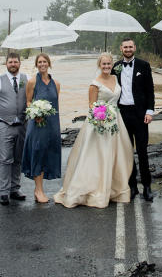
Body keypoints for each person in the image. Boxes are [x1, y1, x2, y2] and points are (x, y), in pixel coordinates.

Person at [54, 53, 134, 208]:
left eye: (108, 64)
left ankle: (112, 188)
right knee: (99, 155)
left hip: (116, 121)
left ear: (112, 65)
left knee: (117, 154)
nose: (106, 67)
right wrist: (102, 115)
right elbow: (91, 105)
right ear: (99, 65)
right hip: (99, 122)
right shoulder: (94, 84)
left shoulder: (115, 79)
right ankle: (94, 189)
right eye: (103, 64)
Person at [115, 38, 156, 201]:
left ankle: (147, 186)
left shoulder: (144, 65)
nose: (128, 49)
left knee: (142, 151)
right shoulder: (115, 67)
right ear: (121, 48)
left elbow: (150, 90)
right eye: (125, 47)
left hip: (140, 114)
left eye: (130, 46)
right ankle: (132, 187)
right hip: (122, 113)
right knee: (127, 152)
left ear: (135, 47)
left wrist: (150, 111)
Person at [0, 51, 28, 204]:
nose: (13, 64)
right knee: (4, 159)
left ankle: (15, 189)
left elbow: (30, 98)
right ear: (6, 64)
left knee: (18, 158)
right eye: (10, 62)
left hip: (22, 124)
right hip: (4, 124)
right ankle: (4, 192)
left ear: (19, 63)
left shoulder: (26, 78)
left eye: (15, 62)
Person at [21, 53, 61, 203]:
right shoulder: (32, 82)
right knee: (38, 153)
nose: (42, 64)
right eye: (39, 62)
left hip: (52, 124)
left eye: (44, 62)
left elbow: (56, 103)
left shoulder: (56, 84)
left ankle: (40, 188)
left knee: (48, 153)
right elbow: (29, 102)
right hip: (37, 124)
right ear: (36, 65)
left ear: (49, 64)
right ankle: (38, 190)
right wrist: (35, 113)